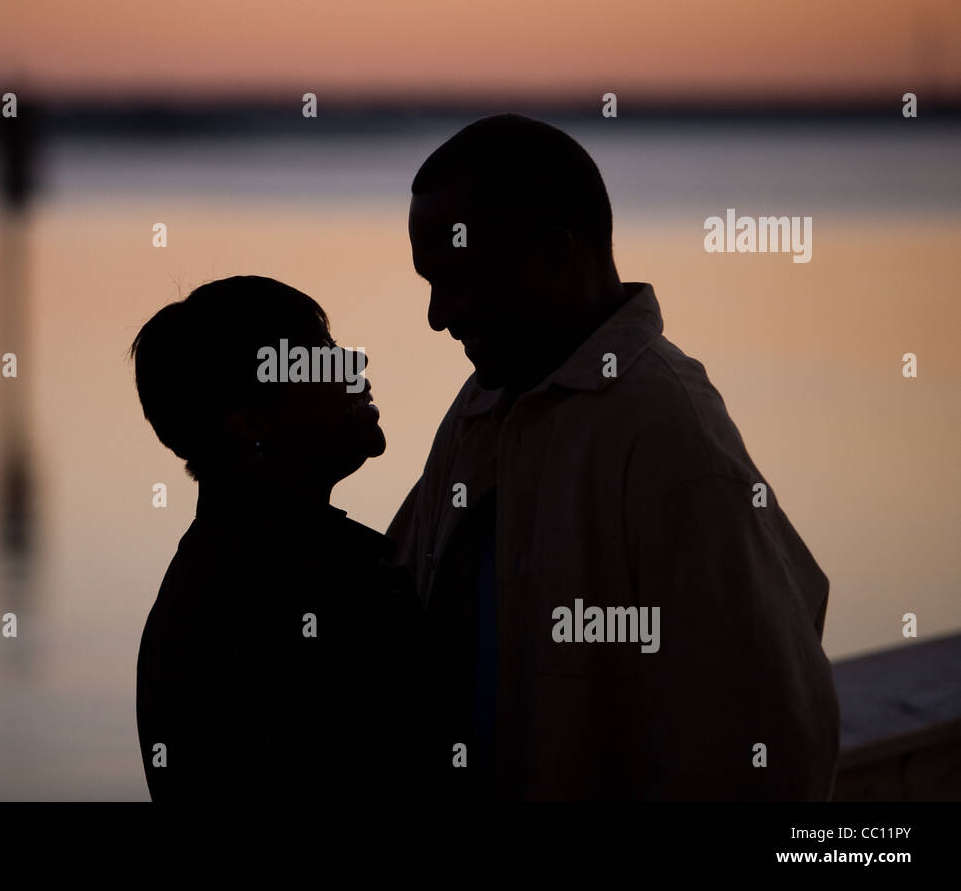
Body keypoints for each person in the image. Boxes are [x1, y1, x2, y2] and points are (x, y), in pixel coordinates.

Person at [388, 113, 841, 800]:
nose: (437, 316)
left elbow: (769, 741)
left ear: (555, 258)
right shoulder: (483, 406)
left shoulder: (670, 436)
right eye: (430, 283)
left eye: (462, 281)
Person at [131, 275, 429, 801]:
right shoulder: (301, 590)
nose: (351, 366)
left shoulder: (217, 578)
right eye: (314, 358)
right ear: (246, 422)